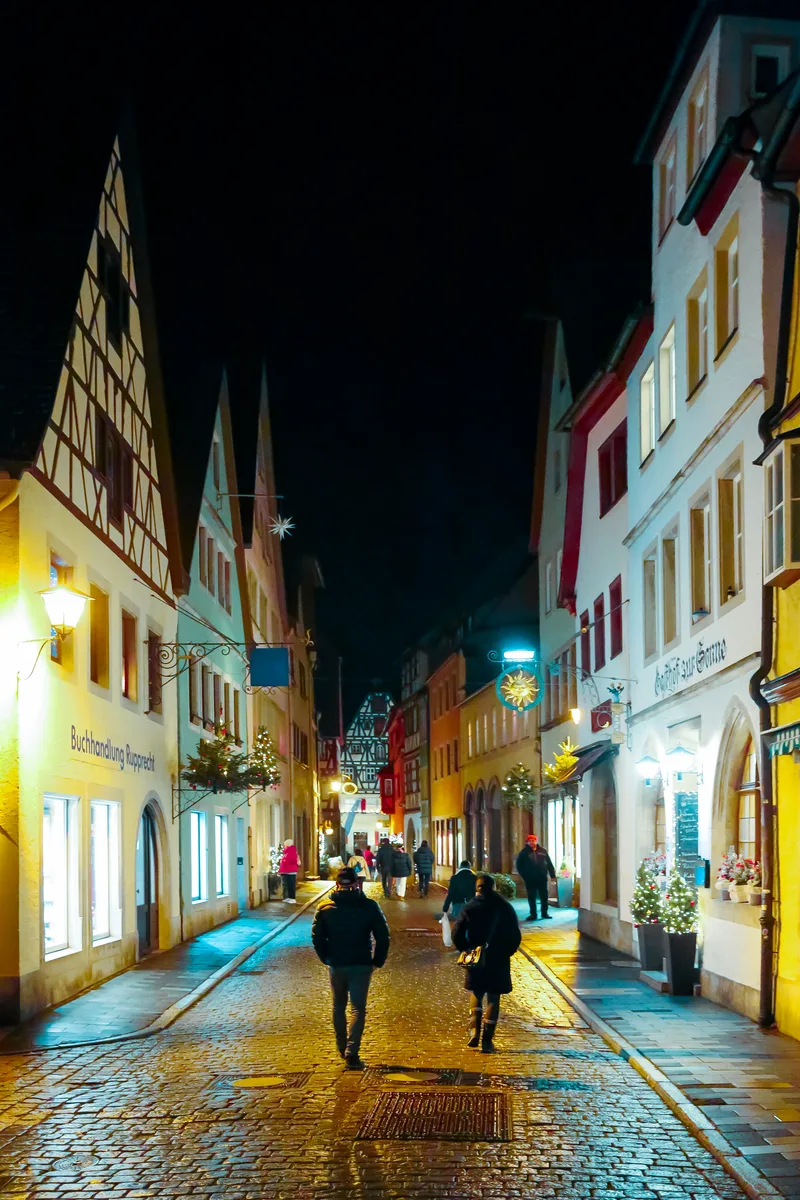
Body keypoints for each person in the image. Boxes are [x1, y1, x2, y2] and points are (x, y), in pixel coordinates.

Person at [311, 866, 390, 1069]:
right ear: (357, 883)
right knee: (358, 1008)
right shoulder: (369, 906)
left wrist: (326, 958)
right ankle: (352, 1053)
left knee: (338, 1006)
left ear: (337, 884)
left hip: (337, 963)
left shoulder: (325, 907)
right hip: (361, 963)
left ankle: (341, 1047)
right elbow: (383, 936)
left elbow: (317, 937)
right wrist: (377, 961)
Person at [452, 873, 521, 1052]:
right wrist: (508, 951)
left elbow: (457, 933)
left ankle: (474, 1031)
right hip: (498, 958)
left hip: (476, 956)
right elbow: (515, 935)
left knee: (477, 992)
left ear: (477, 888)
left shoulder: (470, 907)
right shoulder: (504, 907)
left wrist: (465, 949)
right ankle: (487, 1041)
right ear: (494, 887)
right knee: (493, 997)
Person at [515, 834, 556, 921]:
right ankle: (533, 914)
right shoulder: (523, 853)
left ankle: (544, 913)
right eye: (530, 841)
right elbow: (519, 865)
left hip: (542, 878)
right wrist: (524, 875)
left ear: (536, 841)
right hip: (530, 879)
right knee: (531, 896)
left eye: (533, 841)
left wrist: (552, 875)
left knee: (544, 896)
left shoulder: (543, 851)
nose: (532, 842)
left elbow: (549, 863)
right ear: (527, 842)